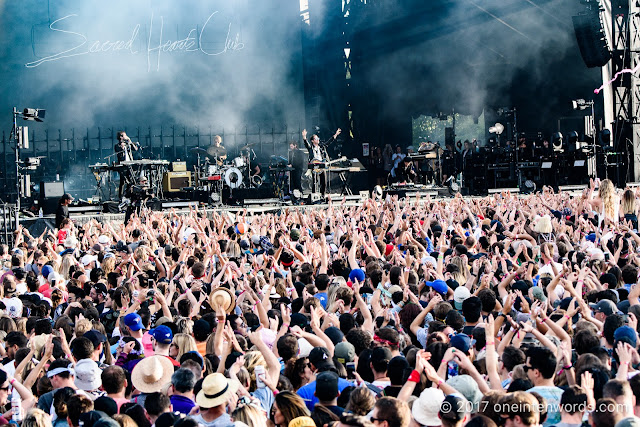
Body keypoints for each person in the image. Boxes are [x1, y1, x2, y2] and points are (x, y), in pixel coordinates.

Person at [114, 131, 139, 198]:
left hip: (130, 164)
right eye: (125, 135)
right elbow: (118, 153)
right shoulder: (117, 146)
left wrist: (130, 141)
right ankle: (121, 196)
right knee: (123, 181)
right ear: (121, 137)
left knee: (131, 180)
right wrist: (122, 148)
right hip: (122, 165)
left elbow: (135, 149)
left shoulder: (128, 144)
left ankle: (128, 195)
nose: (126, 136)